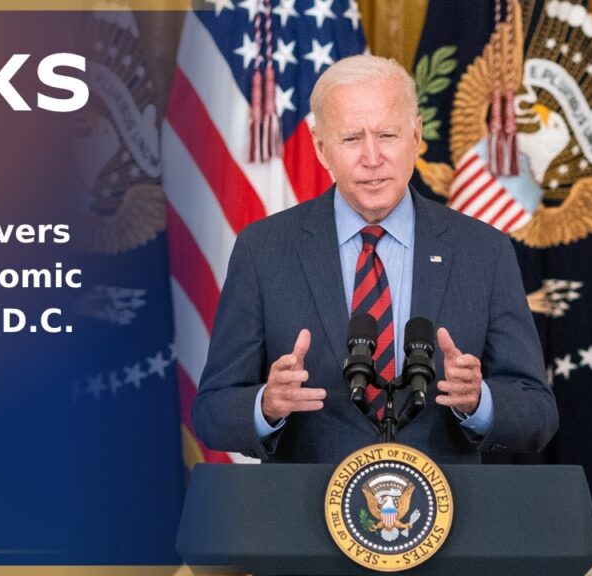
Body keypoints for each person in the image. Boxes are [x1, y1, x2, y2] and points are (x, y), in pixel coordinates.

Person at [192, 55, 558, 464]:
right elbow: (212, 413)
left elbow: (538, 413)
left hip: (449, 517)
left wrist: (480, 401)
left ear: (416, 136)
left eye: (387, 134)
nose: (372, 157)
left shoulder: (483, 251)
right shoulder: (263, 250)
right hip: (306, 517)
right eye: (351, 138)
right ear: (320, 147)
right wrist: (266, 405)